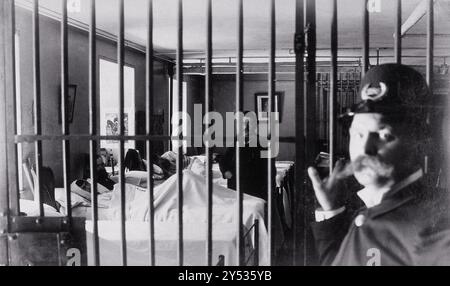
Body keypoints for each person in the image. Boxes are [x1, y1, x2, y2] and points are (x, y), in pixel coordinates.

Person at [307, 63, 450, 266]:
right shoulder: (368, 211)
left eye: (384, 135)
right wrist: (331, 211)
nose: (365, 148)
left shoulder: (437, 226)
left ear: (419, 142)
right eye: (359, 134)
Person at [218, 111, 276, 201]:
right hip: (235, 190)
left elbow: (270, 173)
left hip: (255, 193)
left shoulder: (263, 143)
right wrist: (225, 172)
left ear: (255, 126)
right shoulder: (236, 141)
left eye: (249, 123)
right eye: (242, 123)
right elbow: (223, 160)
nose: (245, 127)